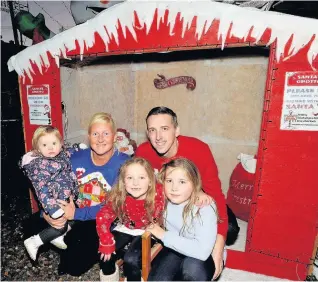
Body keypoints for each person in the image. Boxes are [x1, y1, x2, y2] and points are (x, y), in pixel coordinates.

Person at [135, 106, 240, 280]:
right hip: (172, 208)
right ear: (147, 133)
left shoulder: (199, 149)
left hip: (202, 202)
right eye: (152, 130)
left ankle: (209, 241)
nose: (158, 137)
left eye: (165, 129)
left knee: (229, 228)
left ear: (177, 130)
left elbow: (217, 195)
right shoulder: (143, 152)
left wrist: (218, 250)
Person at [25, 112, 130, 276]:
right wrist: (48, 214)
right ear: (89, 137)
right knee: (30, 225)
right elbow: (48, 182)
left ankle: (98, 249)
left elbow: (115, 205)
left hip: (102, 217)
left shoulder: (124, 163)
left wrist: (76, 213)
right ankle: (66, 239)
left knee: (74, 266)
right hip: (73, 210)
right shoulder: (75, 157)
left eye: (106, 133)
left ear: (115, 137)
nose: (100, 139)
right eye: (95, 134)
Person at [146, 158, 218, 281]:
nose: (174, 188)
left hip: (201, 255)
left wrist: (163, 235)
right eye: (169, 181)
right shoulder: (163, 197)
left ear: (194, 184)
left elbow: (202, 251)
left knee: (192, 272)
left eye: (182, 182)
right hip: (174, 248)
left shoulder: (204, 207)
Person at [96, 157, 165, 281]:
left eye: (141, 178)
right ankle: (110, 277)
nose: (135, 183)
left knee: (131, 259)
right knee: (104, 255)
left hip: (150, 231)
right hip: (127, 228)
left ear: (150, 181)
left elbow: (181, 192)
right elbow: (102, 216)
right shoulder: (119, 196)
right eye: (130, 178)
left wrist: (199, 193)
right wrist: (106, 239)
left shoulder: (159, 192)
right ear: (123, 181)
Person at [21, 125, 77, 261]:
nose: (51, 148)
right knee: (60, 225)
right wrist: (52, 208)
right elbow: (42, 190)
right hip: (54, 201)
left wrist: (78, 147)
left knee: (74, 219)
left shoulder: (61, 155)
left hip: (66, 197)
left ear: (60, 144)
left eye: (54, 143)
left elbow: (68, 152)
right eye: (45, 145)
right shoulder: (38, 165)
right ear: (37, 148)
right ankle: (34, 242)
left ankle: (59, 236)